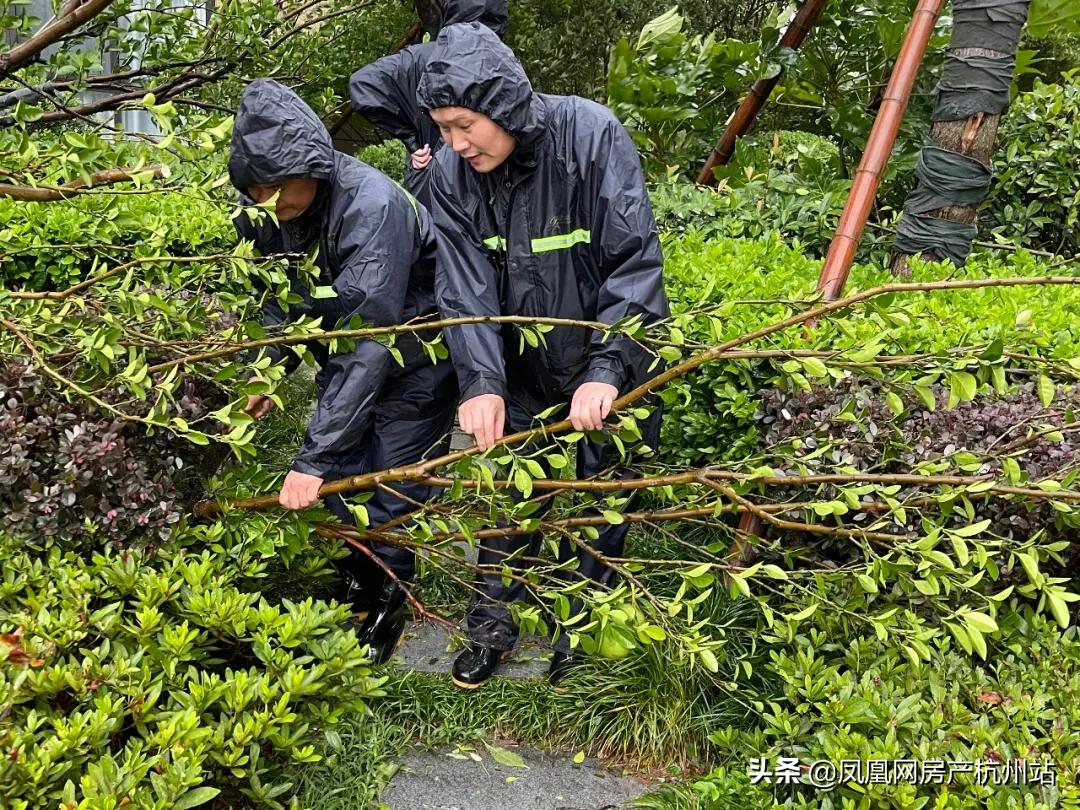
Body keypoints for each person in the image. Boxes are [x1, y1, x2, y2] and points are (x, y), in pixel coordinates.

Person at [416, 23, 669, 688]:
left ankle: (579, 629)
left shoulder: (590, 136)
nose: (456, 143)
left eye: (464, 124)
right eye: (443, 127)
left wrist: (609, 368)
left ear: (500, 103)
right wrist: (480, 382)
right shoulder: (450, 176)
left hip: (606, 360)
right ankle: (491, 627)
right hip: (519, 370)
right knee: (509, 497)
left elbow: (632, 261)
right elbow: (463, 288)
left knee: (599, 499)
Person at [229, 79, 457, 663]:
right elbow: (280, 301)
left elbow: (369, 340)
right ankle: (353, 580)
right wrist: (265, 373)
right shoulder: (266, 213)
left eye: (277, 189)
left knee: (391, 479)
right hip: (350, 348)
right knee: (345, 477)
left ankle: (387, 600)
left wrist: (309, 460)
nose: (269, 203)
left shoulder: (372, 206)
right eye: (257, 192)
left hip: (416, 352)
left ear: (312, 167)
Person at [348, 0, 508, 208]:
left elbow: (363, 84)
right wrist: (412, 138)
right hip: (439, 176)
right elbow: (364, 84)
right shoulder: (500, 60)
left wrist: (411, 139)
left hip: (433, 176)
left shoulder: (423, 55)